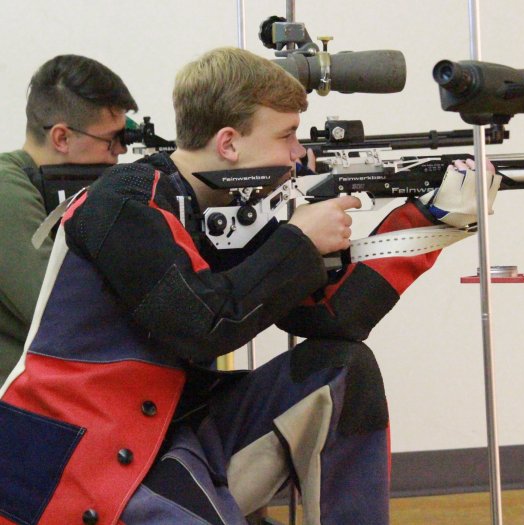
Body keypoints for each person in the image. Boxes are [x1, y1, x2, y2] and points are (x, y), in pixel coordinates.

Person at [0, 47, 498, 525]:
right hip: (82, 455)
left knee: (344, 370)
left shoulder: (220, 207)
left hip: (172, 429)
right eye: (287, 136)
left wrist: (432, 220)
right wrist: (300, 241)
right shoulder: (125, 201)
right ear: (229, 143)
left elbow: (333, 319)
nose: (300, 153)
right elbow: (203, 325)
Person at [0, 54, 137, 383]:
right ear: (61, 137)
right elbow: (53, 309)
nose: (121, 151)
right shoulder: (6, 187)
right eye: (112, 139)